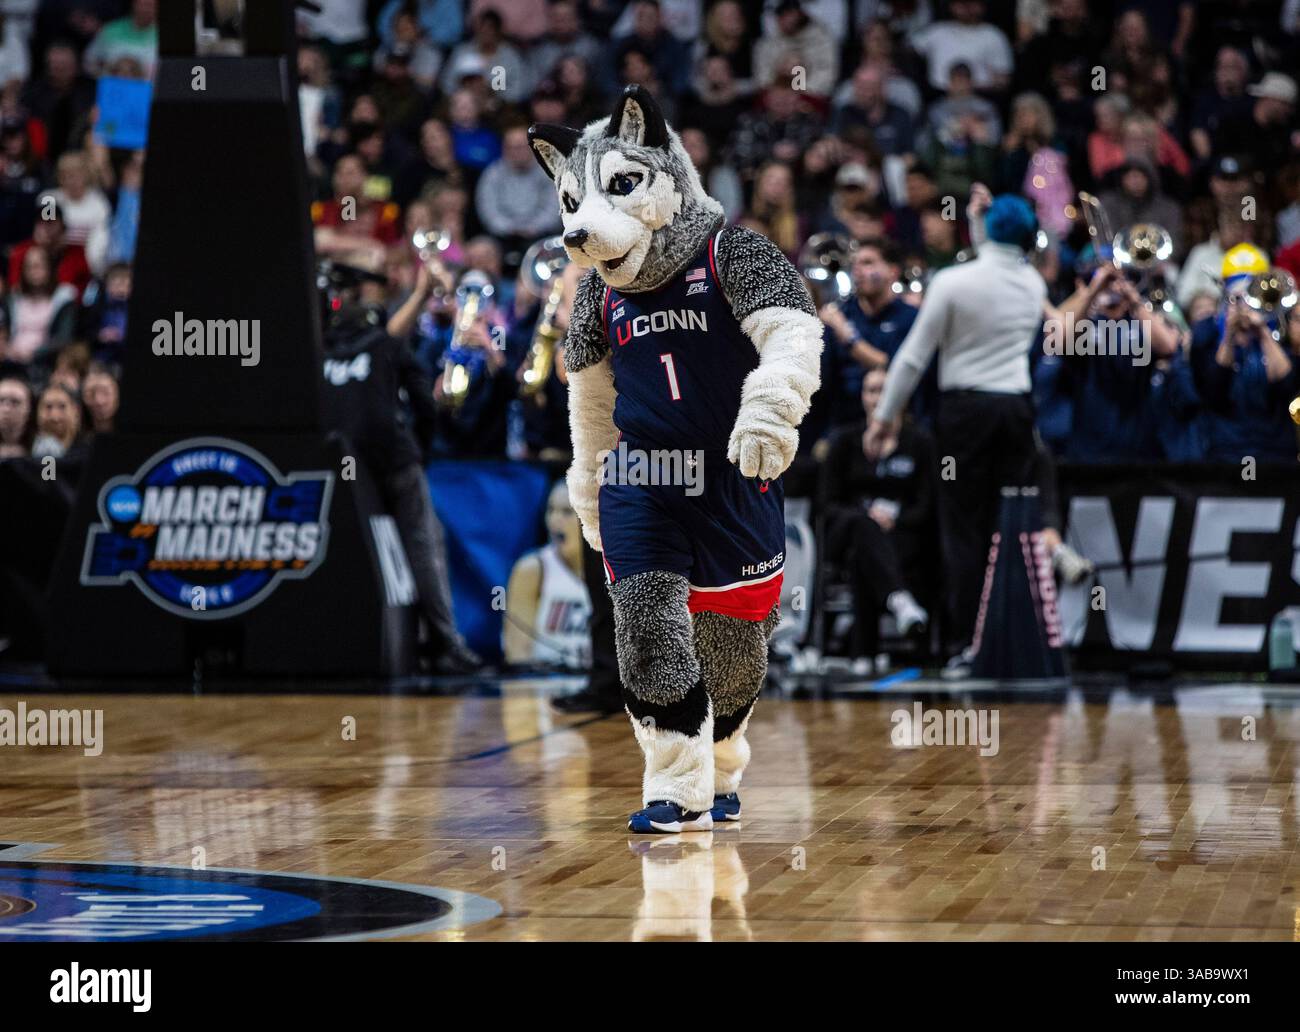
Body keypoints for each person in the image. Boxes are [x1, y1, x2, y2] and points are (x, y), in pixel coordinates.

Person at [866, 193, 1046, 678]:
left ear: (988, 227)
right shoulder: (1032, 282)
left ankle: (969, 644)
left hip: (966, 413)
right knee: (1008, 530)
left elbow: (911, 358)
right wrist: (978, 220)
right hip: (1016, 410)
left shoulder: (953, 282)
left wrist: (884, 419)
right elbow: (998, 257)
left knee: (964, 532)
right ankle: (1018, 640)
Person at [318, 261, 482, 673]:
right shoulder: (385, 345)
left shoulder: (319, 352)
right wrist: (421, 448)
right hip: (395, 461)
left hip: (344, 470)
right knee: (424, 548)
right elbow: (424, 401)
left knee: (360, 550)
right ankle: (447, 646)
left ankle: (356, 646)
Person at [822, 367, 934, 670]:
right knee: (862, 528)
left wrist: (894, 520)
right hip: (846, 534)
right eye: (871, 390)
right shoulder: (844, 441)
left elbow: (926, 505)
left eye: (884, 390)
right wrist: (866, 517)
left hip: (901, 536)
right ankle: (900, 601)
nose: (877, 398)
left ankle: (864, 653)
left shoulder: (920, 443)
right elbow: (828, 504)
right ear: (862, 397)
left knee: (865, 553)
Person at [818, 236, 920, 427]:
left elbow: (893, 367)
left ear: (892, 271)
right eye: (855, 264)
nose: (857, 270)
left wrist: (848, 337)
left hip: (894, 420)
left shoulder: (910, 317)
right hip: (844, 422)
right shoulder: (841, 313)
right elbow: (822, 381)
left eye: (868, 263)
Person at [503, 481, 592, 668]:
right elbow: (518, 656)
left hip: (600, 689)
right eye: (550, 510)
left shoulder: (618, 570)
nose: (554, 520)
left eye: (567, 512)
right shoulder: (533, 570)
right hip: (545, 685)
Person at [0, 373, 33, 457]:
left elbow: (51, 470)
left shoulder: (46, 447)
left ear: (28, 408)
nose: (6, 409)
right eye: (1, 401)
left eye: (15, 402)